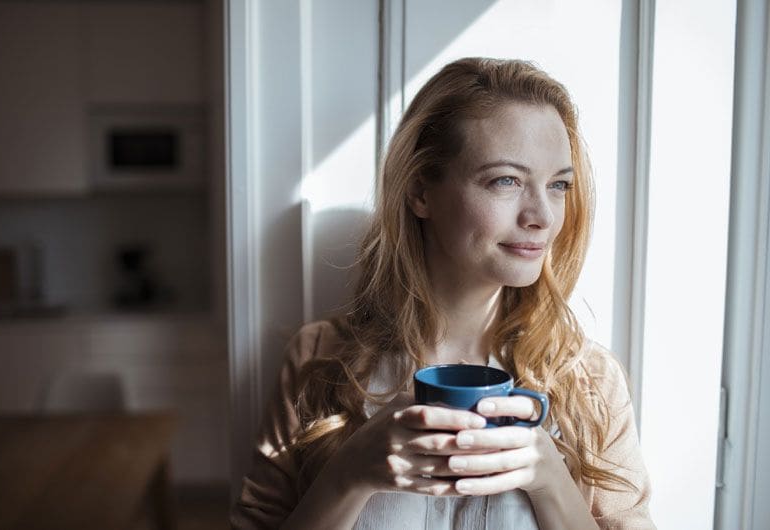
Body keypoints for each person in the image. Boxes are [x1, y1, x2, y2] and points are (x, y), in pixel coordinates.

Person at [231, 57, 655, 530]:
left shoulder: (590, 382)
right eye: (506, 180)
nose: (543, 216)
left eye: (558, 185)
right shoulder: (320, 360)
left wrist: (549, 479)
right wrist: (348, 475)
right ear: (419, 191)